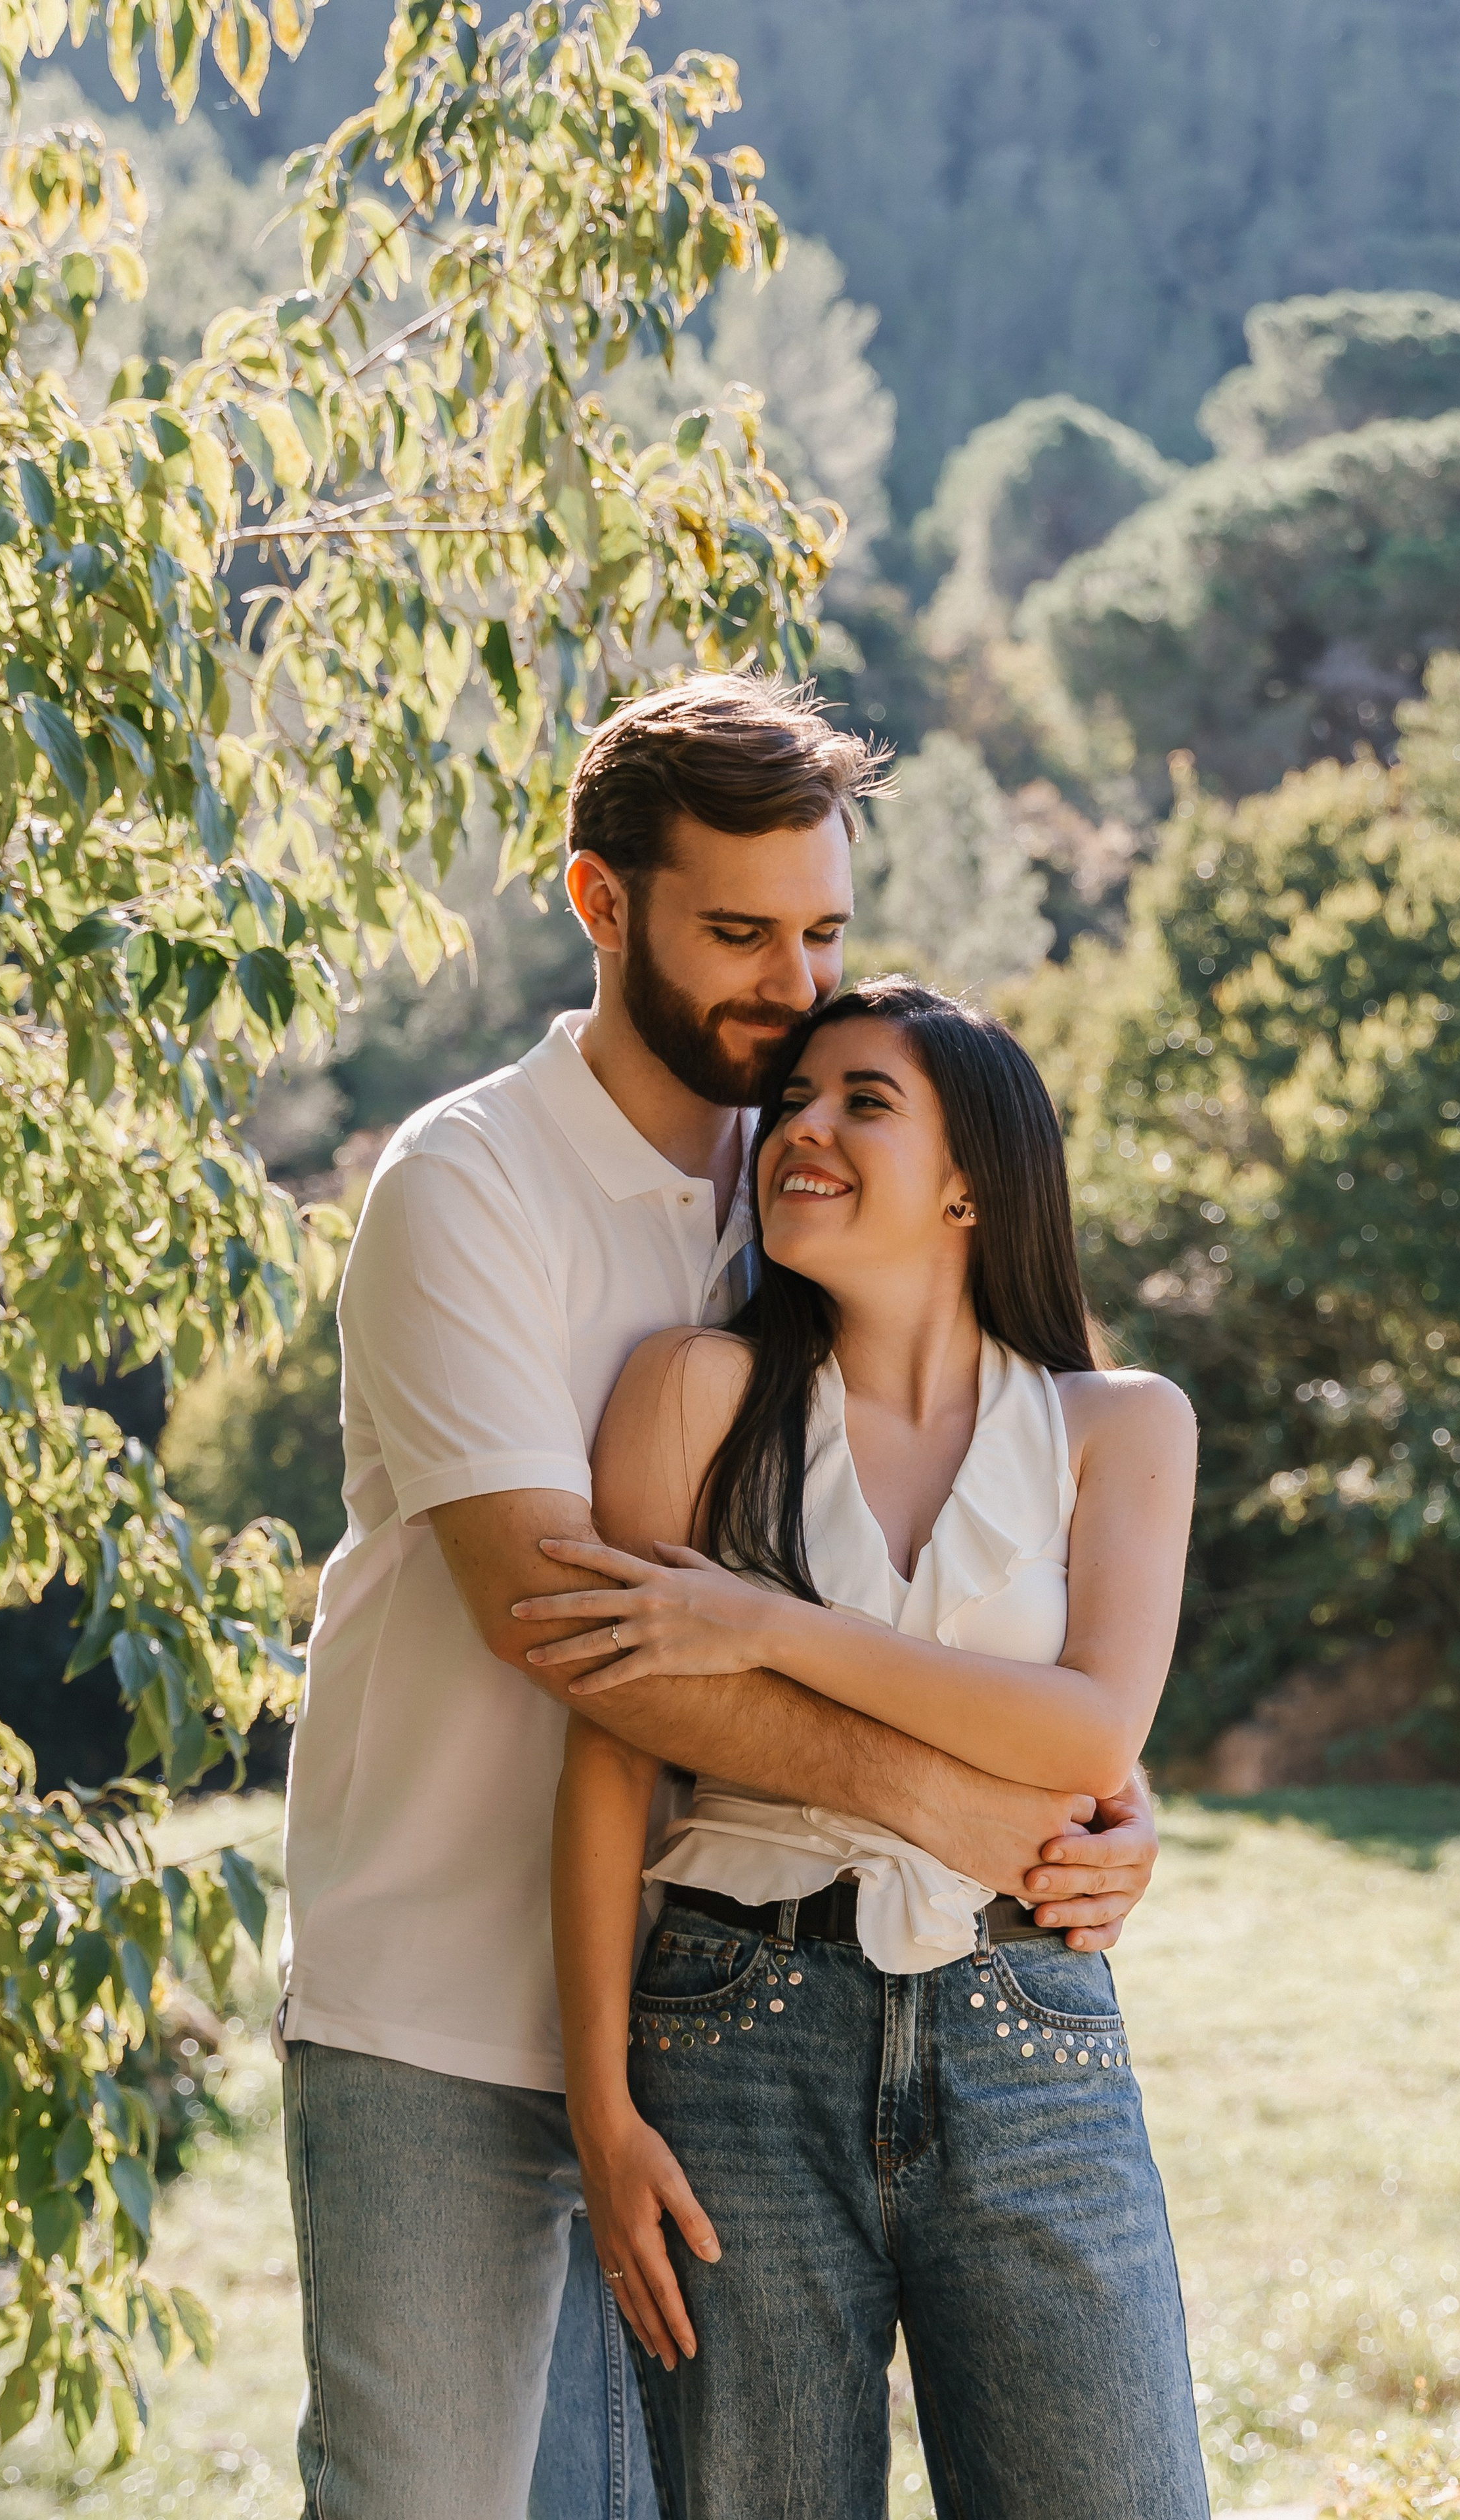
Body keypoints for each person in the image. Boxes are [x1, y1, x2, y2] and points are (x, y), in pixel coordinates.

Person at [276, 678, 1164, 2520]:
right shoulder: (471, 1186)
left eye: (824, 932)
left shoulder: (808, 1189)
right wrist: (985, 1808)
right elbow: (579, 1637)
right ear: (602, 909)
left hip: (715, 2011)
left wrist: (1093, 1783)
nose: (790, 983)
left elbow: (967, 1543)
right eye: (740, 934)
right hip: (446, 2006)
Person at [538, 976, 1207, 2520]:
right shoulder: (690, 1393)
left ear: (973, 1176)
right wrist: (601, 2104)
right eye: (789, 1104)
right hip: (725, 2036)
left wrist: (762, 1627)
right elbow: (611, 1751)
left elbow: (1091, 1730)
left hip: (1026, 2030)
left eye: (860, 1101)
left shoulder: (1119, 1427)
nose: (801, 1132)